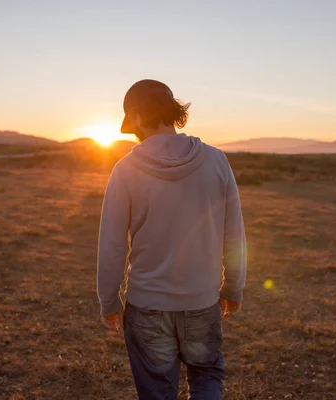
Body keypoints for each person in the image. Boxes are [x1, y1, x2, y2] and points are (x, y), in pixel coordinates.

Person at [97, 79, 247, 400]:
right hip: (201, 301)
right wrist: (233, 286)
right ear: (173, 111)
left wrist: (109, 300)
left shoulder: (125, 169)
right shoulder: (217, 160)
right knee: (206, 377)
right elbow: (233, 231)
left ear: (136, 118)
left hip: (147, 305)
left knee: (157, 392)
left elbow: (112, 245)